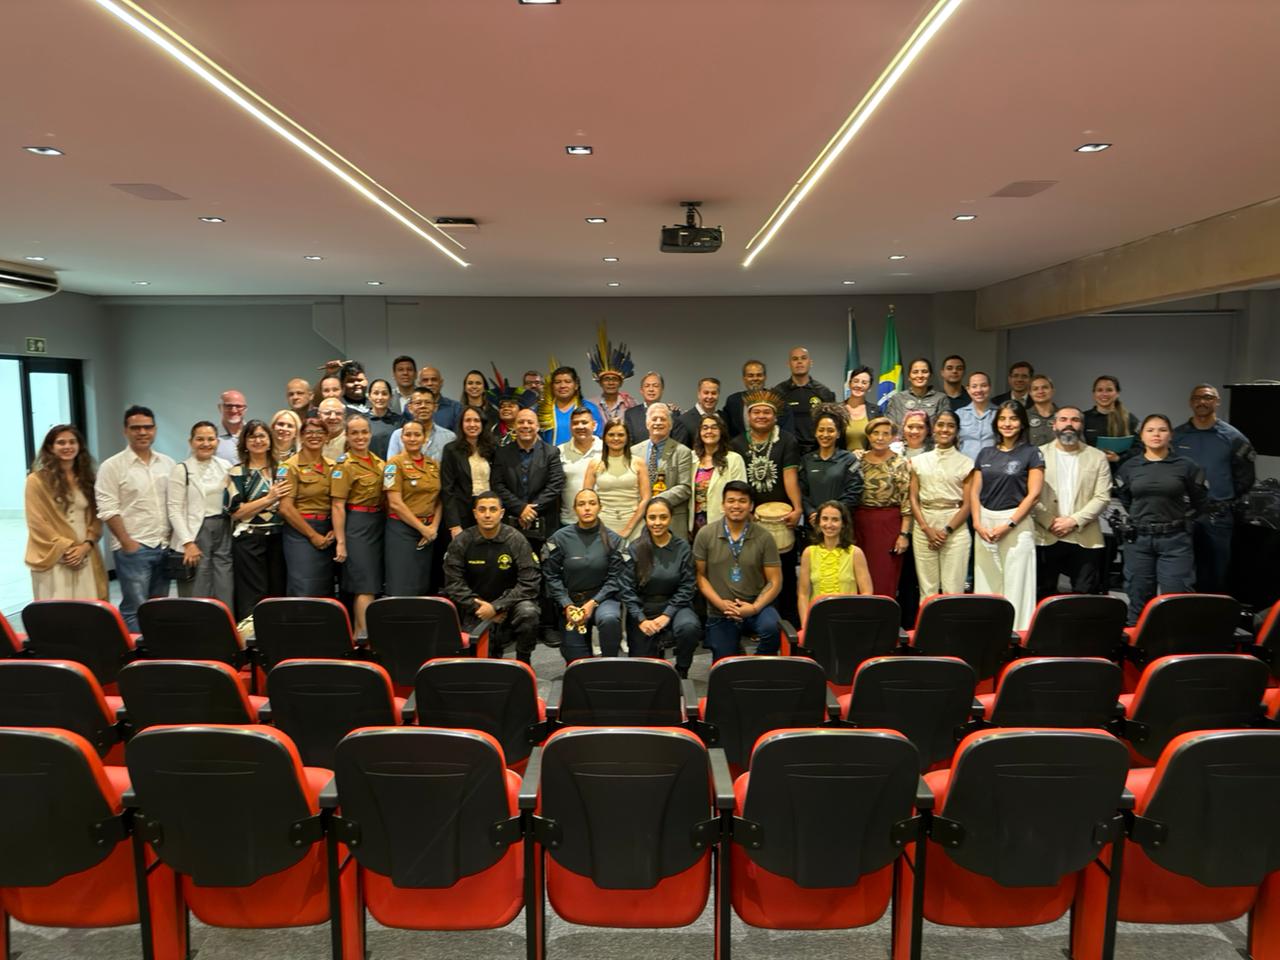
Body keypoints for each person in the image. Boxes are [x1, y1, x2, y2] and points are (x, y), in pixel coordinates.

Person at [1115, 414, 1209, 625]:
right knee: (1138, 596)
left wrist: (1181, 520)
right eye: (1150, 430)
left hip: (1175, 541)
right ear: (1141, 436)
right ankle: (1135, 646)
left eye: (1162, 430)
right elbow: (1125, 498)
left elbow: (1201, 501)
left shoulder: (1186, 466)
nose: (1156, 434)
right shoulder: (1129, 467)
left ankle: (1174, 647)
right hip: (1139, 540)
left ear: (1171, 435)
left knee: (1176, 597)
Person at [95, 405, 176, 630]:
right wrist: (127, 543)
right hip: (134, 548)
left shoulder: (167, 463)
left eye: (147, 427)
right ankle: (137, 661)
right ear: (125, 431)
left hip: (163, 544)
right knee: (135, 608)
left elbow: (174, 503)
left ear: (155, 430)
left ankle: (156, 654)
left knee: (158, 607)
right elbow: (107, 508)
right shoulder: (112, 466)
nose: (142, 432)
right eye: (136, 428)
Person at [1173, 383, 1256, 594]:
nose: (1202, 402)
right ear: (1191, 402)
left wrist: (1224, 502)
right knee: (1182, 573)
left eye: (1208, 397)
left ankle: (1212, 622)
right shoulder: (1177, 436)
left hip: (1217, 517)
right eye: (1197, 398)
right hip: (1183, 516)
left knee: (1216, 574)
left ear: (1217, 402)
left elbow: (1245, 478)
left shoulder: (1234, 438)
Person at [728, 391, 803, 624]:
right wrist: (746, 513)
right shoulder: (737, 443)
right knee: (754, 572)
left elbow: (789, 475)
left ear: (775, 415)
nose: (761, 416)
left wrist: (797, 508)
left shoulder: (787, 440)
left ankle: (789, 622)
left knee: (786, 571)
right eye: (756, 412)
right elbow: (739, 482)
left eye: (766, 412)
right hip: (751, 518)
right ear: (748, 416)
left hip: (781, 517)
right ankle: (756, 621)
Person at [970, 401, 1045, 630]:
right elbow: (974, 491)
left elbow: (1033, 495)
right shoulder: (985, 453)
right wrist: (977, 523)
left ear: (1022, 422)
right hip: (984, 523)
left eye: (1013, 419)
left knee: (1017, 583)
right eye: (1002, 419)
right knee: (985, 582)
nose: (1007, 424)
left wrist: (1009, 524)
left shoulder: (1032, 453)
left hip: (1016, 523)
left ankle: (1016, 634)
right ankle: (988, 631)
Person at [443, 491, 541, 663]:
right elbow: (453, 583)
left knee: (529, 612)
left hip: (510, 605)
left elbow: (530, 583)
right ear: (475, 513)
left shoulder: (516, 540)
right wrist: (480, 608)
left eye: (493, 509)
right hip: (476, 607)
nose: (487, 514)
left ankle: (524, 662)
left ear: (501, 513)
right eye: (482, 510)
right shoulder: (461, 542)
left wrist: (496, 607)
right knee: (483, 664)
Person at [694, 481, 782, 661]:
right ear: (722, 504)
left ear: (751, 506)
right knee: (724, 664)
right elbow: (700, 576)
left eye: (742, 501)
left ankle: (755, 668)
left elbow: (775, 581)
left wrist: (755, 607)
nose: (736, 506)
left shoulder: (764, 537)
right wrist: (720, 603)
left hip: (756, 605)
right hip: (721, 610)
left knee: (772, 629)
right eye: (731, 500)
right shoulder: (705, 534)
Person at [1032, 406, 1112, 598]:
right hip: (1046, 534)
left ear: (1081, 426)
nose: (1069, 424)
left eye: (1075, 420)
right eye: (1064, 419)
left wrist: (1073, 521)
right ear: (1054, 425)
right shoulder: (1037, 454)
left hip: (1084, 536)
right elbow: (1030, 495)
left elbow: (1102, 496)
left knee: (1084, 597)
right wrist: (1050, 521)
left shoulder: (1097, 457)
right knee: (1043, 595)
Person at [25, 424, 107, 601]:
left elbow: (97, 517)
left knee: (88, 611)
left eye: (72, 442)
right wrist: (67, 550)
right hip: (54, 556)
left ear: (79, 446)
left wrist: (85, 547)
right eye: (61, 442)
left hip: (85, 553)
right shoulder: (36, 481)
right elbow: (36, 521)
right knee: (56, 614)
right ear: (50, 448)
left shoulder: (89, 479)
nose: (67, 446)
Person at [542, 489, 625, 662]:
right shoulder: (559, 538)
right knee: (576, 662)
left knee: (609, 619)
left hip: (603, 599)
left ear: (600, 507)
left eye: (592, 503)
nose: (587, 508)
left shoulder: (614, 540)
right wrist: (566, 604)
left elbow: (615, 579)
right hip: (571, 602)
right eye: (581, 504)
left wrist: (593, 602)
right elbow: (551, 575)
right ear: (574, 509)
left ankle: (611, 666)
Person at [621, 498, 701, 676]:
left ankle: (682, 670)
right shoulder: (634, 548)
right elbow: (627, 589)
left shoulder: (682, 548)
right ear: (646, 519)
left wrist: (667, 614)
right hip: (644, 608)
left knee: (689, 627)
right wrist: (641, 619)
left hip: (676, 605)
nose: (657, 523)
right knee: (643, 674)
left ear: (671, 518)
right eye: (652, 517)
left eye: (663, 517)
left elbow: (687, 586)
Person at [224, 419, 286, 620]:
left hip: (279, 538)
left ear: (270, 440)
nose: (257, 440)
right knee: (251, 595)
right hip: (249, 540)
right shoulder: (237, 472)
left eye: (262, 436)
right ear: (245, 442)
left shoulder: (282, 470)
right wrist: (269, 498)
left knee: (278, 593)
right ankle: (251, 642)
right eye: (252, 436)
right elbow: (236, 512)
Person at [909, 410, 974, 597]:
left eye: (950, 425)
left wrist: (946, 531)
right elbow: (913, 498)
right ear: (933, 429)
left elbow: (968, 504)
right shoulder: (918, 461)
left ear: (957, 431)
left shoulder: (966, 463)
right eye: (940, 424)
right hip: (924, 525)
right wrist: (925, 528)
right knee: (927, 589)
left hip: (955, 526)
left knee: (953, 589)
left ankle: (952, 627)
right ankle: (927, 627)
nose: (945, 429)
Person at [167, 421, 233, 606]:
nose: (206, 443)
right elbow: (174, 509)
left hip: (223, 528)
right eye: (200, 439)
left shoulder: (225, 465)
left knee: (224, 582)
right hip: (196, 533)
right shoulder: (182, 469)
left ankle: (224, 629)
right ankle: (196, 630)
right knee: (198, 587)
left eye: (211, 439)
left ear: (217, 442)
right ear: (191, 442)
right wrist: (188, 543)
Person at [331, 415, 386, 633]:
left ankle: (361, 636)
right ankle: (364, 638)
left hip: (378, 524)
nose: (360, 437)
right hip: (357, 526)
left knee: (372, 584)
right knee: (365, 585)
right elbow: (337, 505)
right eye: (354, 433)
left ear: (370, 433)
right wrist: (341, 542)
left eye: (364, 432)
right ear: (347, 435)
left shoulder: (379, 462)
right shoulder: (344, 465)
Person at [276, 417, 336, 597]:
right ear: (301, 436)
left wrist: (335, 530)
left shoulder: (333, 466)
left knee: (325, 589)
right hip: (301, 532)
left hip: (327, 531)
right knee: (305, 588)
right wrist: (312, 535)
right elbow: (285, 508)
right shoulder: (288, 467)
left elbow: (337, 502)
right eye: (309, 432)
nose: (314, 436)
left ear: (327, 437)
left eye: (319, 432)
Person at [383, 419, 442, 596]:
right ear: (401, 437)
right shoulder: (393, 465)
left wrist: (433, 528)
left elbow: (439, 500)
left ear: (425, 438)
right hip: (402, 531)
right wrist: (422, 528)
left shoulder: (433, 465)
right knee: (401, 583)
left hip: (428, 533)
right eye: (408, 434)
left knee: (421, 583)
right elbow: (394, 503)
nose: (412, 438)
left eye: (417, 434)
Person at [493, 407, 566, 551]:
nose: (525, 425)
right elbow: (497, 485)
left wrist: (531, 511)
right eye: (521, 422)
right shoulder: (502, 453)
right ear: (514, 426)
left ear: (538, 427)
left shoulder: (551, 452)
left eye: (530, 422)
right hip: (511, 522)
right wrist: (520, 509)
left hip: (544, 524)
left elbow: (556, 485)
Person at [854, 417, 912, 598]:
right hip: (859, 523)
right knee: (858, 574)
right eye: (875, 433)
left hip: (888, 524)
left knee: (884, 575)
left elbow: (906, 501)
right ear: (868, 436)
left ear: (893, 437)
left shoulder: (900, 463)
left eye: (885, 434)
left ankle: (882, 620)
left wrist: (903, 535)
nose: (880, 438)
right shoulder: (857, 460)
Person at [798, 501, 874, 627]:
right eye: (825, 519)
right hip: (817, 619)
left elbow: (867, 594)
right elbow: (803, 594)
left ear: (843, 524)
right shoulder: (808, 553)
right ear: (818, 522)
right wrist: (805, 625)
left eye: (835, 520)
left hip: (849, 620)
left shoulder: (855, 553)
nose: (829, 524)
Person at [633, 403, 695, 539]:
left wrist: (654, 502)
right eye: (654, 419)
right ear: (647, 423)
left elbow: (685, 487)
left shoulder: (682, 452)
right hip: (640, 520)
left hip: (673, 521)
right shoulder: (634, 451)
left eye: (663, 419)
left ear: (671, 425)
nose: (658, 423)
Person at [584, 419, 651, 543]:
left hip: (634, 525)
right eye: (611, 434)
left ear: (627, 438)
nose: (616, 438)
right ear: (604, 437)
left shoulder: (638, 463)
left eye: (620, 435)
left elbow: (646, 498)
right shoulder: (595, 463)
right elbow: (585, 498)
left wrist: (628, 528)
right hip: (602, 525)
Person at [800, 406, 862, 526]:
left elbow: (853, 492)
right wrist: (811, 512)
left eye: (830, 430)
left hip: (840, 523)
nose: (825, 434)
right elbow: (801, 493)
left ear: (838, 434)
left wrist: (832, 515)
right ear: (815, 432)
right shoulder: (806, 460)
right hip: (813, 523)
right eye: (821, 430)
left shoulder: (849, 460)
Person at [441, 407, 496, 537]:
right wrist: (454, 524)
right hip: (462, 513)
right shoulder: (451, 450)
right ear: (461, 424)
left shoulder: (493, 448)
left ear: (482, 424)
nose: (472, 424)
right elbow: (447, 489)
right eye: (468, 420)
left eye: (476, 420)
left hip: (488, 510)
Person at [773, 346, 836, 454]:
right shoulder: (778, 393)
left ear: (810, 362)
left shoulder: (824, 392)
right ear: (788, 364)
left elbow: (832, 424)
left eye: (803, 358)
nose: (799, 362)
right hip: (788, 451)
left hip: (817, 450)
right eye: (795, 359)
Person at [692, 413, 746, 536]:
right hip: (695, 526)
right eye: (705, 428)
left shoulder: (734, 459)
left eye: (714, 427)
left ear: (721, 432)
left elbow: (741, 494)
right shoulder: (691, 458)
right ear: (699, 433)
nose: (709, 431)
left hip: (724, 524)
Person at [557, 406, 604, 526]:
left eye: (584, 422)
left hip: (603, 521)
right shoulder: (559, 452)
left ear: (594, 425)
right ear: (570, 427)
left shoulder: (606, 450)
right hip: (569, 521)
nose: (580, 426)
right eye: (575, 423)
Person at [540, 365, 604, 445]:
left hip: (583, 456)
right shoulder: (542, 410)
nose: (562, 386)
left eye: (567, 382)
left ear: (576, 385)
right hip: (550, 456)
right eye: (557, 382)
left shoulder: (589, 408)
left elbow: (598, 438)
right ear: (552, 386)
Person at [386, 387, 456, 460]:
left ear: (435, 407)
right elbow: (390, 468)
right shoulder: (398, 435)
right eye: (418, 403)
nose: (423, 406)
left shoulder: (449, 437)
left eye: (428, 403)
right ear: (410, 408)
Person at [1083, 375, 1139, 464]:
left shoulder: (1129, 419)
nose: (1104, 394)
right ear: (1094, 394)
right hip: (1090, 469)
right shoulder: (1083, 418)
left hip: (1120, 471)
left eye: (1109, 390)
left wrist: (1118, 458)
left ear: (1117, 393)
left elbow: (1139, 448)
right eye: (1100, 390)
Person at [589, 330, 637, 423]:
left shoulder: (631, 404)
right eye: (606, 379)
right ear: (600, 382)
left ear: (621, 382)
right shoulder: (591, 405)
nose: (611, 383)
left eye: (614, 379)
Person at [885, 358, 947, 428]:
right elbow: (890, 427)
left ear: (930, 375)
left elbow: (944, 427)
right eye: (915, 372)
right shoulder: (897, 399)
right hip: (903, 439)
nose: (920, 376)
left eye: (924, 371)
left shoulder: (941, 398)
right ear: (909, 376)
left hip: (931, 439)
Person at [841, 366, 882, 451]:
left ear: (870, 387)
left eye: (864, 383)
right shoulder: (837, 410)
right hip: (842, 461)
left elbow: (880, 439)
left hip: (868, 461)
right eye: (856, 381)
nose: (859, 385)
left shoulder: (876, 411)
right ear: (849, 384)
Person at [957, 371, 995, 460]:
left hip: (993, 467)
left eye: (984, 385)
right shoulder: (959, 414)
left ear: (990, 388)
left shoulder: (999, 414)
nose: (979, 390)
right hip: (965, 467)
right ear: (968, 389)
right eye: (974, 386)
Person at [674, 376, 721, 444]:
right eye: (706, 393)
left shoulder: (724, 417)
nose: (710, 397)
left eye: (714, 393)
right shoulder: (683, 421)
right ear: (698, 394)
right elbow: (680, 451)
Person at [624, 371, 668, 443]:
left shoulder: (671, 413)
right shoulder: (631, 414)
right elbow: (628, 442)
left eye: (655, 386)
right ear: (641, 390)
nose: (651, 389)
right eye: (647, 386)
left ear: (662, 390)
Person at [364, 378, 399, 459]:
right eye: (376, 393)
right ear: (369, 396)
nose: (380, 397)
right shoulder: (361, 421)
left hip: (394, 468)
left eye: (384, 393)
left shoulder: (400, 421)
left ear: (391, 397)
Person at [418, 366, 461, 431]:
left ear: (441, 382)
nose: (430, 383)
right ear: (419, 384)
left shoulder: (456, 408)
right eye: (425, 380)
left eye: (434, 379)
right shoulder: (410, 408)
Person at [215, 390, 248, 462]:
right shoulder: (209, 437)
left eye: (239, 406)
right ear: (219, 407)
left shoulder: (255, 434)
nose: (234, 410)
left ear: (245, 409)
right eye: (228, 406)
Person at [1026, 374, 1058, 447]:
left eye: (1045, 387)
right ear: (1030, 393)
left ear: (1052, 390)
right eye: (1035, 389)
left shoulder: (1063, 416)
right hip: (1031, 458)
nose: (1040, 391)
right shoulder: (1023, 416)